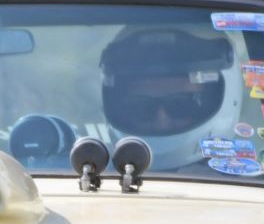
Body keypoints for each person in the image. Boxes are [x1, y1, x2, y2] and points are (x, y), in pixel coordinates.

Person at [98, 25, 237, 170]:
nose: (161, 123)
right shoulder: (94, 176)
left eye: (181, 105)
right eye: (141, 107)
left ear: (213, 100)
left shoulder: (251, 188)